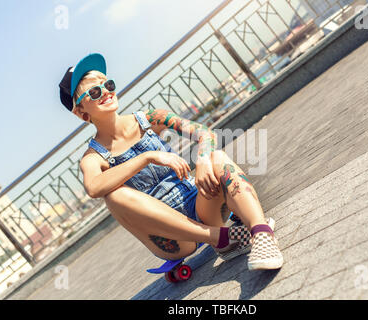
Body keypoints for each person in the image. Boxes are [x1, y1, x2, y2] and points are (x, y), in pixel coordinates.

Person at [58, 53, 283, 270]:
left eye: (108, 85)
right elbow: (94, 187)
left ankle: (261, 234)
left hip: (202, 208)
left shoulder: (148, 119)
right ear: (81, 112)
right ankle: (220, 238)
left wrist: (203, 160)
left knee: (217, 157)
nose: (106, 93)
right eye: (95, 91)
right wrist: (148, 157)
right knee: (114, 195)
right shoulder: (93, 157)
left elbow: (204, 133)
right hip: (173, 238)